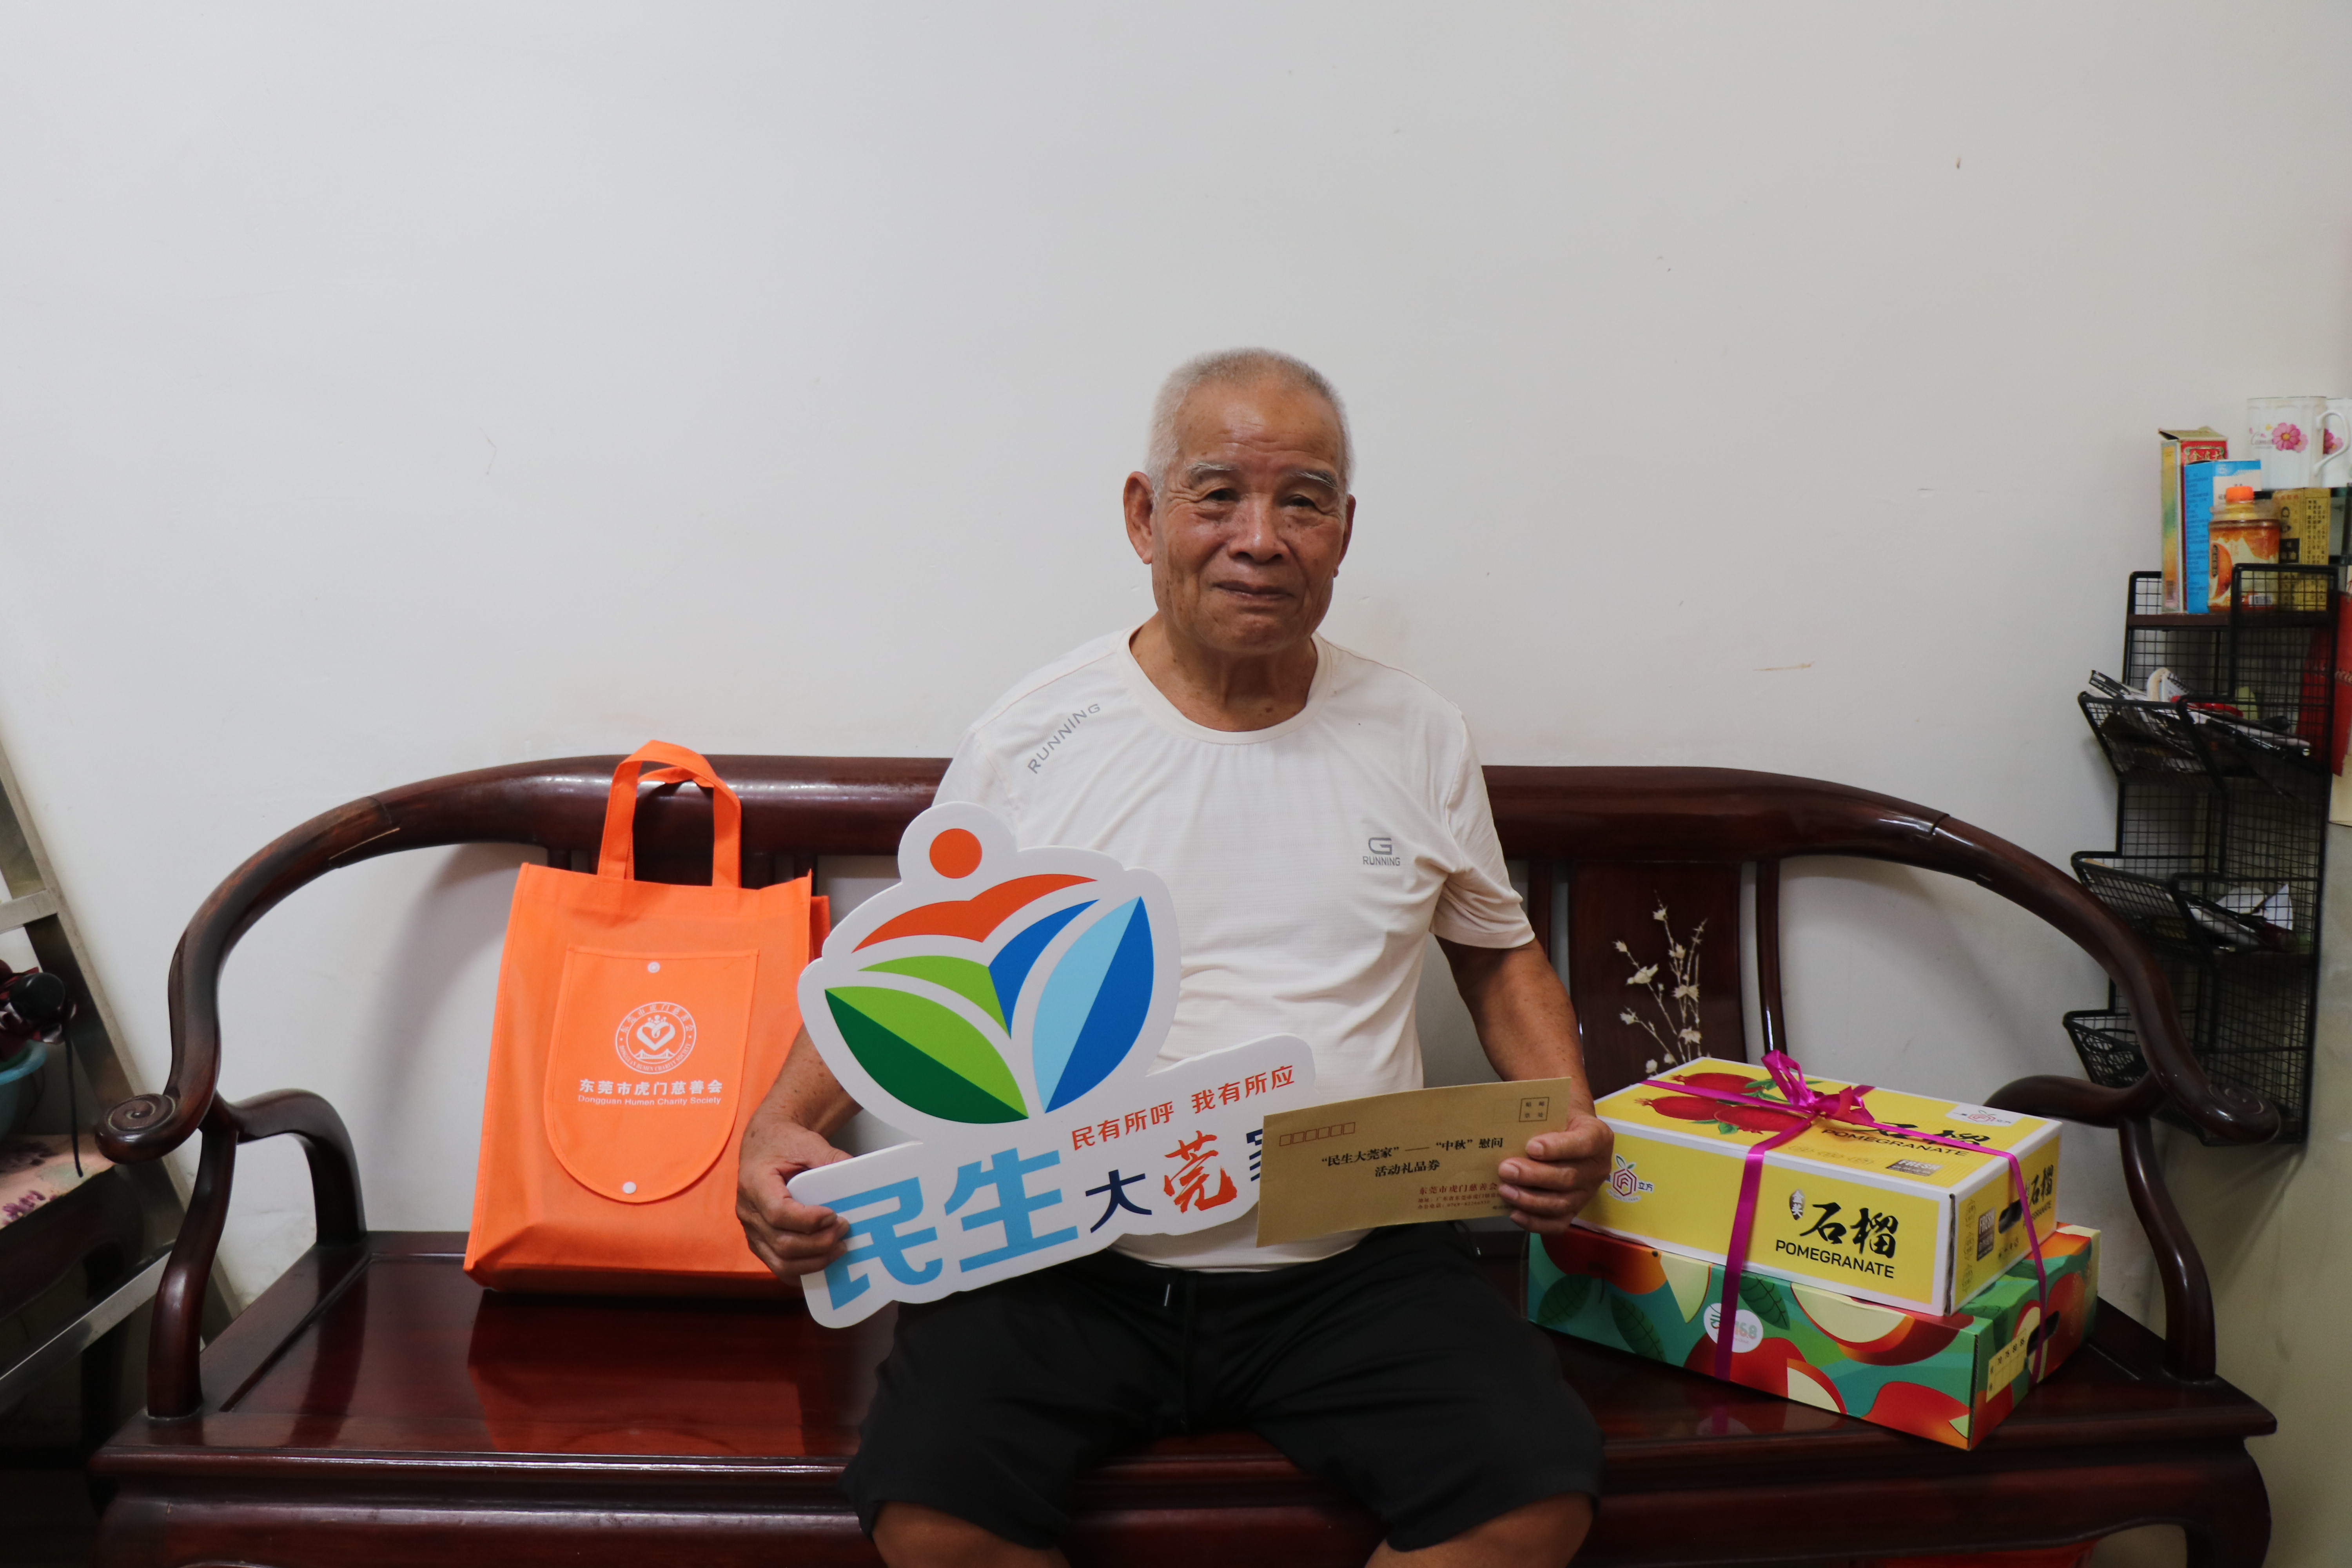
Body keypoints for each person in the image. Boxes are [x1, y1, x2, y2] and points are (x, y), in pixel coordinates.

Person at [738, 349, 1612, 1568]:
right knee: (933, 1516)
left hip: (1351, 1263)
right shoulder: (1036, 737)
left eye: (1302, 502)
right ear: (1145, 516)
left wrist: (1568, 1111)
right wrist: (781, 1125)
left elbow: (1497, 953)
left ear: (1344, 532)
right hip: (1065, 1255)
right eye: (1219, 495)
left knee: (1534, 1495)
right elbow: (910, 968)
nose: (1261, 539)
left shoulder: (1418, 733)